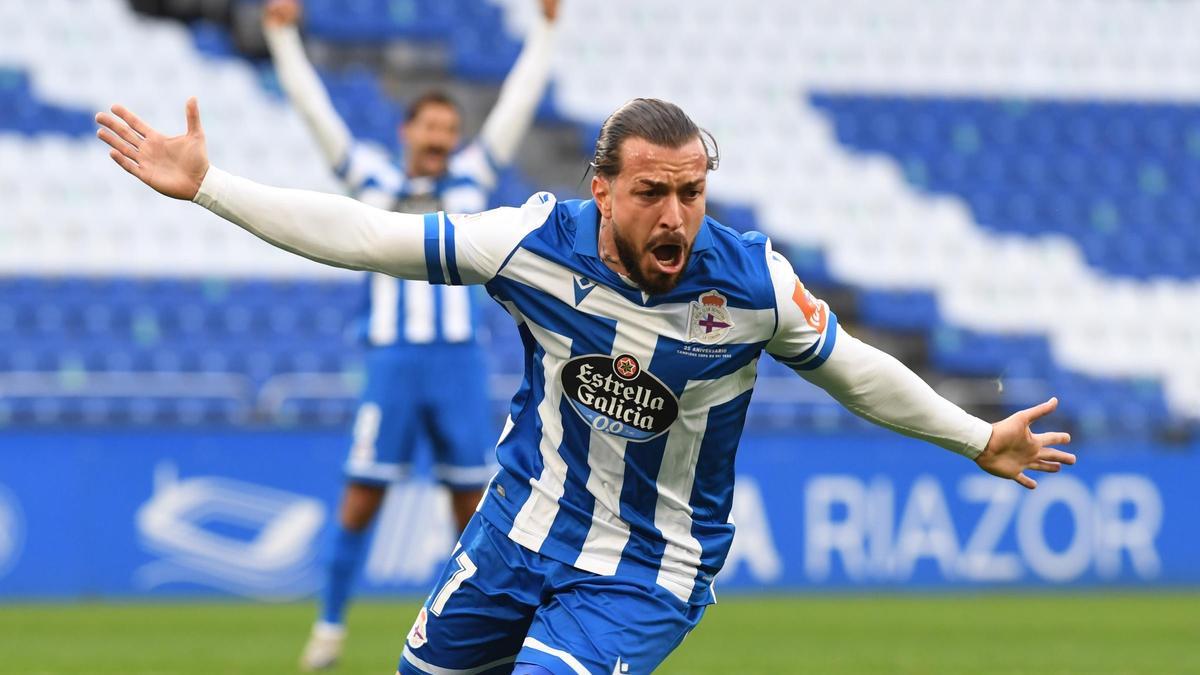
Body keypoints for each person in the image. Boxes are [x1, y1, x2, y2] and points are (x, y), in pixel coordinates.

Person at [95, 96, 1075, 675]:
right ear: (601, 187)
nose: (677, 216)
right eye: (652, 192)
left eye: (692, 192)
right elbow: (366, 234)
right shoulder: (531, 245)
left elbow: (855, 371)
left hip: (652, 563)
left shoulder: (752, 285)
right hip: (520, 524)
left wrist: (973, 436)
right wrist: (212, 187)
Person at [259, 0, 559, 668]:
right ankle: (330, 627)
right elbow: (319, 120)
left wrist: (544, 32)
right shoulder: (374, 182)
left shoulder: (473, 182)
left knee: (472, 507)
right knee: (361, 494)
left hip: (456, 364)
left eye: (449, 128)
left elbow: (513, 109)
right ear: (407, 130)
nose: (440, 137)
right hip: (392, 363)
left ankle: (485, 625)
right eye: (430, 126)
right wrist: (283, 41)